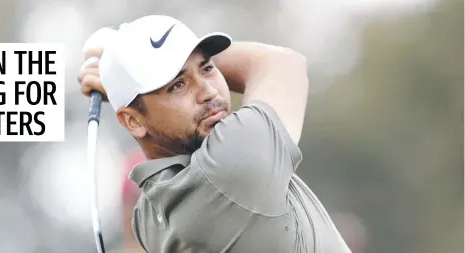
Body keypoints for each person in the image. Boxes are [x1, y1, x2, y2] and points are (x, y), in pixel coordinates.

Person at [78, 15, 351, 253]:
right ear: (132, 121)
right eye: (178, 85)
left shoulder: (148, 217)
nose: (209, 91)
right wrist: (119, 60)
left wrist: (122, 71)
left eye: (207, 68)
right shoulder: (230, 164)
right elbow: (280, 62)